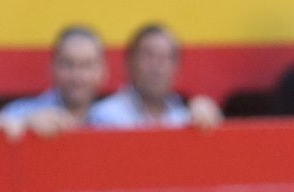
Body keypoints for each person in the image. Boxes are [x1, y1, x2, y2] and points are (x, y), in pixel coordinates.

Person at [87, 24, 222, 130]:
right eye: (148, 56)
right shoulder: (104, 116)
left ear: (177, 68)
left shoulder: (186, 118)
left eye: (164, 58)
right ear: (129, 62)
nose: (156, 67)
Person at [0, 26, 106, 136]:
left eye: (87, 65)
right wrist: (26, 124)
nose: (77, 75)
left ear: (103, 70)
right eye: (68, 64)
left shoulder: (115, 117)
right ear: (52, 67)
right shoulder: (25, 112)